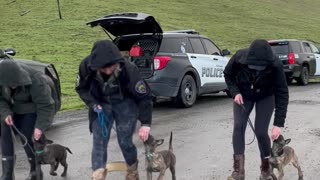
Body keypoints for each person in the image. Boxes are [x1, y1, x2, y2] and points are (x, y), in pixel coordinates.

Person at [75, 40, 153, 180]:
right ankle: (97, 175)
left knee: (124, 141)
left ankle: (132, 171)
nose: (107, 71)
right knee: (99, 141)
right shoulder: (86, 66)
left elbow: (144, 97)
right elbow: (81, 89)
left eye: (110, 67)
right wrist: (92, 103)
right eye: (103, 68)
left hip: (125, 103)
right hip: (100, 104)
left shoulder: (129, 70)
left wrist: (146, 124)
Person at [223, 39, 289, 180]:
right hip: (244, 95)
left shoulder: (275, 65)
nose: (256, 69)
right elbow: (228, 75)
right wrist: (235, 92)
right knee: (238, 126)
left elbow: (282, 93)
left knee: (260, 131)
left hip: (265, 96)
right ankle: (238, 172)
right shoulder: (239, 58)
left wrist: (278, 123)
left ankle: (266, 169)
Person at [0, 60, 55, 180]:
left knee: (28, 132)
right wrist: (5, 114)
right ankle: (7, 173)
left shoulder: (36, 79)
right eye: (10, 84)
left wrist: (40, 127)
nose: (14, 86)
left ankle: (35, 170)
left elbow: (46, 105)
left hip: (30, 108)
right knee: (4, 131)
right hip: (9, 108)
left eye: (16, 83)